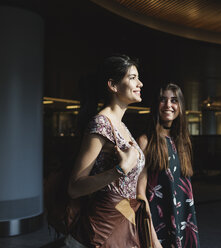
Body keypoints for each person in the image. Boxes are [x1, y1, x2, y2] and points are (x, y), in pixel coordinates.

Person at [66, 54, 160, 247]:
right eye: (132, 77)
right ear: (113, 85)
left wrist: (150, 237)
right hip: (101, 229)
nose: (140, 83)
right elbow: (74, 188)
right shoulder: (101, 124)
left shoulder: (122, 126)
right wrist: (119, 170)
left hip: (123, 219)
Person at [137, 83, 200, 248]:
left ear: (180, 106)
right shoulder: (145, 141)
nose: (168, 105)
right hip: (157, 227)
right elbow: (139, 194)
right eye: (163, 100)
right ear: (156, 105)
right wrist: (153, 239)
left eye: (174, 100)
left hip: (183, 224)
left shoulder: (182, 143)